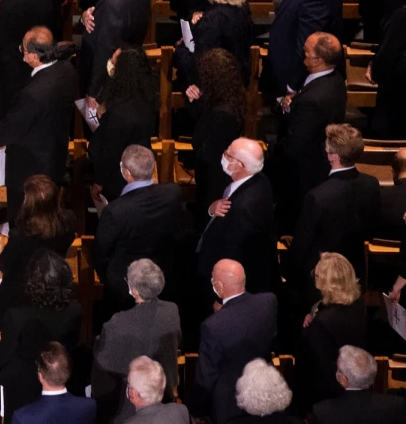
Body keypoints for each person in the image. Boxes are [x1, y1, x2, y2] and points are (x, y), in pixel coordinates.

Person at [0, 251, 82, 424]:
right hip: (60, 372)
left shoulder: (16, 316)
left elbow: (4, 355)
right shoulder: (75, 310)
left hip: (23, 380)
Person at [0, 27, 77, 223]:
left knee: (24, 216)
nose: (22, 53)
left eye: (23, 50)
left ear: (33, 56)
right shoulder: (66, 70)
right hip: (54, 153)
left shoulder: (33, 94)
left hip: (30, 166)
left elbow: (8, 132)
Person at [287, 127, 379, 303]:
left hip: (323, 279)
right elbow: (370, 227)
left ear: (333, 156)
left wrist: (288, 273)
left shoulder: (318, 196)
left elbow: (303, 244)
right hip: (355, 271)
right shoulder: (372, 184)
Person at [94, 147, 191, 307]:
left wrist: (109, 278)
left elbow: (101, 254)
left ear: (126, 172)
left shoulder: (115, 211)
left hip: (124, 287)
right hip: (163, 278)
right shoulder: (173, 193)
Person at [273, 33, 347, 232]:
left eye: (306, 51)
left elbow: (295, 145)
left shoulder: (313, 100)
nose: (302, 53)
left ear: (318, 61)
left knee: (292, 222)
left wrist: (271, 154)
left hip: (302, 173)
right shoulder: (335, 79)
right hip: (315, 162)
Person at [92, 261, 183, 420]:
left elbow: (105, 362)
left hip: (130, 402)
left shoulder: (117, 322)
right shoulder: (172, 310)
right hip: (165, 388)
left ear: (133, 290)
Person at [193, 260, 278, 424]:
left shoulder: (213, 325)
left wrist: (196, 411)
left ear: (218, 286)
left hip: (230, 405)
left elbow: (206, 376)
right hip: (265, 394)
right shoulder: (269, 302)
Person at [0, 175, 76, 324]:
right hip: (52, 287)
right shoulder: (68, 222)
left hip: (22, 295)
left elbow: (4, 264)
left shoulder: (21, 235)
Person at [197, 141, 278, 296]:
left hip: (222, 277)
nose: (224, 155)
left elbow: (234, 253)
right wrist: (211, 209)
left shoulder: (244, 207)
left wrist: (223, 296)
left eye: (228, 154)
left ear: (240, 165)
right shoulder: (260, 179)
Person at [184, 49, 249, 230]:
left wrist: (190, 161)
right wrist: (194, 102)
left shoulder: (223, 113)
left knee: (207, 223)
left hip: (214, 179)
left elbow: (206, 149)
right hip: (212, 174)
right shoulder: (228, 99)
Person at [294, 253, 368, 409]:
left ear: (326, 283)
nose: (314, 277)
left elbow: (311, 369)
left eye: (317, 275)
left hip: (325, 401)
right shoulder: (357, 306)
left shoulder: (321, 324)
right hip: (354, 387)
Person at [88, 49, 160, 203]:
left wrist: (99, 181)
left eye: (115, 63)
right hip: (141, 163)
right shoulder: (149, 95)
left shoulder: (119, 112)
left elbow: (110, 150)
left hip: (120, 173)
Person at [80, 0, 150, 98]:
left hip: (106, 79)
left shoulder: (115, 5)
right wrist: (84, 17)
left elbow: (106, 48)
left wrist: (94, 92)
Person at [177, 0, 255, 81]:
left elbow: (200, 67)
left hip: (214, 90)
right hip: (238, 83)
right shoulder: (244, 10)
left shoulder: (211, 21)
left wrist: (181, 50)